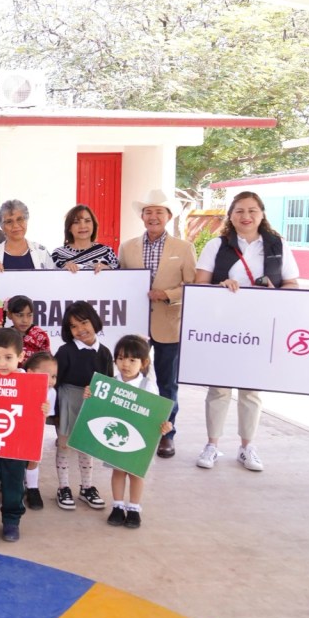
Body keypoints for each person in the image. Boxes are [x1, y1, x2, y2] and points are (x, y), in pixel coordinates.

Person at [194, 191, 299, 472]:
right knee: (219, 388)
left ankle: (246, 447)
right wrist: (219, 287)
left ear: (262, 214)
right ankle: (212, 445)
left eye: (252, 210)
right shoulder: (217, 245)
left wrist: (274, 291)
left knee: (251, 390)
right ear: (230, 215)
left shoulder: (277, 246)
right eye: (239, 210)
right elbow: (198, 284)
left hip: (260, 327)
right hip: (223, 326)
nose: (246, 216)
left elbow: (292, 284)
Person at [117, 189, 197, 459]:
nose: (153, 217)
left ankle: (166, 435)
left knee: (166, 383)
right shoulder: (128, 247)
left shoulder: (184, 248)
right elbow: (118, 281)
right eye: (148, 212)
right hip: (134, 324)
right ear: (142, 216)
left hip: (168, 322)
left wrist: (169, 294)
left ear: (168, 216)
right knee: (129, 377)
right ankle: (130, 426)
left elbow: (193, 286)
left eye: (158, 212)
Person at [0, 327, 50, 546]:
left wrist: (43, 409)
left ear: (21, 356)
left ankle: (12, 520)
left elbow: (37, 413)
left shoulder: (29, 383)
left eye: (8, 357)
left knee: (14, 483)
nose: (2, 363)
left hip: (17, 446)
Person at [106, 335, 171, 529]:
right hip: (117, 436)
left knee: (136, 473)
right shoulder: (109, 383)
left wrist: (165, 425)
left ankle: (134, 508)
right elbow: (99, 407)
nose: (125, 364)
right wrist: (89, 395)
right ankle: (117, 506)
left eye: (132, 360)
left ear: (144, 363)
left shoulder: (148, 386)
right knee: (118, 471)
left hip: (139, 437)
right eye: (120, 358)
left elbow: (157, 413)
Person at [54, 301, 113, 511]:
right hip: (68, 399)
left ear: (94, 321)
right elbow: (56, 382)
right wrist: (56, 411)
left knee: (85, 445)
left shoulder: (105, 352)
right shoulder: (65, 351)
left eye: (84, 323)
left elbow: (109, 382)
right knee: (64, 444)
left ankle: (87, 487)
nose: (80, 330)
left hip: (93, 403)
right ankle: (63, 487)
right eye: (74, 326)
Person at [0, 200, 56, 271]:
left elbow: (54, 280)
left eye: (20, 219)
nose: (15, 225)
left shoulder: (41, 252)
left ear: (26, 221)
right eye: (9, 222)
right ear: (2, 226)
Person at [24, 351, 58, 511]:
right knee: (13, 460)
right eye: (46, 375)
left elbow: (43, 419)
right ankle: (14, 486)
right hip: (15, 428)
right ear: (29, 372)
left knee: (33, 458)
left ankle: (32, 488)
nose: (51, 381)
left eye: (54, 376)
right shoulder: (18, 383)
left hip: (35, 430)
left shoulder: (51, 393)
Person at [52, 205, 119, 272]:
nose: (82, 226)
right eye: (76, 222)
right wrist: (63, 271)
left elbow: (120, 277)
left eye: (87, 221)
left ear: (94, 225)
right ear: (69, 228)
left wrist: (108, 270)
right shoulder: (58, 254)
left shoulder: (107, 252)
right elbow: (51, 279)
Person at [6, 295, 51, 367]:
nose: (25, 320)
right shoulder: (5, 336)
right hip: (11, 377)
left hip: (34, 376)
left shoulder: (40, 335)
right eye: (20, 315)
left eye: (29, 315)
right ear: (9, 315)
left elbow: (47, 363)